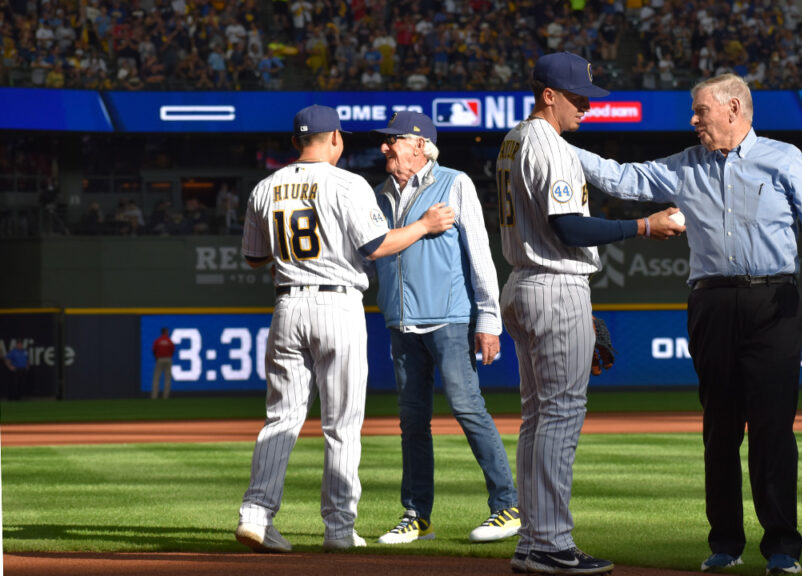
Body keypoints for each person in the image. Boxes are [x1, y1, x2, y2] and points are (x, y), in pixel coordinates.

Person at [571, 72, 802, 575]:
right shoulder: (684, 166)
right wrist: (555, 146)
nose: (693, 120)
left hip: (774, 302)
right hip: (712, 303)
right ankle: (725, 544)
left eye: (701, 111)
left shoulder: (784, 158)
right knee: (720, 429)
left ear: (733, 108)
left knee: (772, 429)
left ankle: (782, 548)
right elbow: (620, 177)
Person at [235, 104, 455, 554]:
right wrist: (424, 225)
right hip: (337, 304)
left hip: (287, 305)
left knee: (281, 418)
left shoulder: (265, 187)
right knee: (342, 424)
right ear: (334, 138)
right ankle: (338, 528)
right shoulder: (348, 183)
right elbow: (377, 246)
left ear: (297, 141)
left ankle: (255, 515)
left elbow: (255, 257)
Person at [497, 52, 685, 575]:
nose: (586, 106)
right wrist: (643, 227)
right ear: (548, 95)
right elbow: (570, 228)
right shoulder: (552, 147)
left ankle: (533, 541)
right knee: (559, 416)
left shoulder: (514, 138)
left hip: (525, 282)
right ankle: (551, 543)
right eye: (577, 97)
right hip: (554, 284)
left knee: (537, 418)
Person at [368, 111, 520, 545]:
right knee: (412, 421)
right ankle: (417, 516)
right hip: (401, 322)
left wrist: (488, 319)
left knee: (467, 408)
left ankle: (508, 506)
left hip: (449, 319)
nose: (384, 146)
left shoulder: (454, 182)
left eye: (393, 139)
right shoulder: (379, 194)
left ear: (419, 145)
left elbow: (480, 253)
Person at [151, 327, 174, 399]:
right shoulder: (169, 341)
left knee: (156, 378)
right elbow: (172, 350)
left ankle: (154, 396)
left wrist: (157, 357)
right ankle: (166, 396)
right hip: (168, 359)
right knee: (167, 379)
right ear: (166, 332)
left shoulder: (158, 341)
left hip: (159, 359)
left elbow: (154, 350)